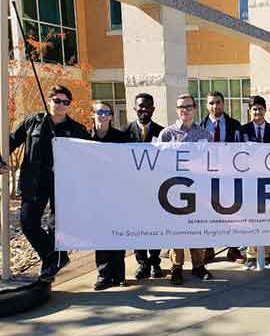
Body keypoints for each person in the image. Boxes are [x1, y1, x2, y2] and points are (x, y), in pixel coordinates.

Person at [9, 84, 89, 281]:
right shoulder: (32, 122)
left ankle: (52, 262)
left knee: (57, 226)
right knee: (28, 223)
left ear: (69, 105)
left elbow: (91, 155)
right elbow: (10, 140)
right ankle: (53, 257)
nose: (60, 105)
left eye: (65, 102)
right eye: (56, 100)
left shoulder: (77, 129)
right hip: (34, 181)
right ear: (49, 100)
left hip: (62, 184)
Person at [158, 94, 213, 284]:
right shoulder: (167, 134)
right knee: (177, 230)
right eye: (181, 107)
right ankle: (176, 267)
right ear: (177, 110)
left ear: (195, 109)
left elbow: (211, 161)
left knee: (197, 228)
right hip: (173, 190)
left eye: (188, 107)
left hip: (198, 190)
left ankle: (199, 266)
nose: (185, 110)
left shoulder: (205, 134)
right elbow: (159, 163)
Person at [200, 90, 245, 264]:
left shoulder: (235, 124)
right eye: (211, 103)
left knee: (232, 212)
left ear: (223, 104)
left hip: (230, 175)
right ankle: (209, 249)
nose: (215, 106)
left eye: (218, 102)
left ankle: (233, 250)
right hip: (207, 176)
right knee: (209, 213)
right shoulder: (200, 127)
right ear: (207, 105)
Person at [124, 93, 165, 280]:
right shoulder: (124, 133)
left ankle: (155, 261)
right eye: (140, 106)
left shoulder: (162, 133)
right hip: (133, 189)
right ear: (135, 108)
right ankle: (142, 263)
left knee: (155, 227)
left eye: (148, 107)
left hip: (156, 189)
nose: (144, 110)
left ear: (153, 109)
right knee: (137, 227)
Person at [240, 95, 270, 270]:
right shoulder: (242, 130)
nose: (257, 112)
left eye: (260, 108)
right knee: (251, 217)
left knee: (269, 217)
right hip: (249, 180)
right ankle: (251, 254)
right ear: (250, 111)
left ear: (265, 110)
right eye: (254, 109)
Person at [90, 101, 128, 290]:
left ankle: (119, 275)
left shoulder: (121, 137)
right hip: (94, 192)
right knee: (101, 234)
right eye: (99, 112)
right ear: (93, 115)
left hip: (118, 191)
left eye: (107, 112)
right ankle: (103, 275)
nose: (103, 115)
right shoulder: (84, 138)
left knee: (117, 232)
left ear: (111, 116)